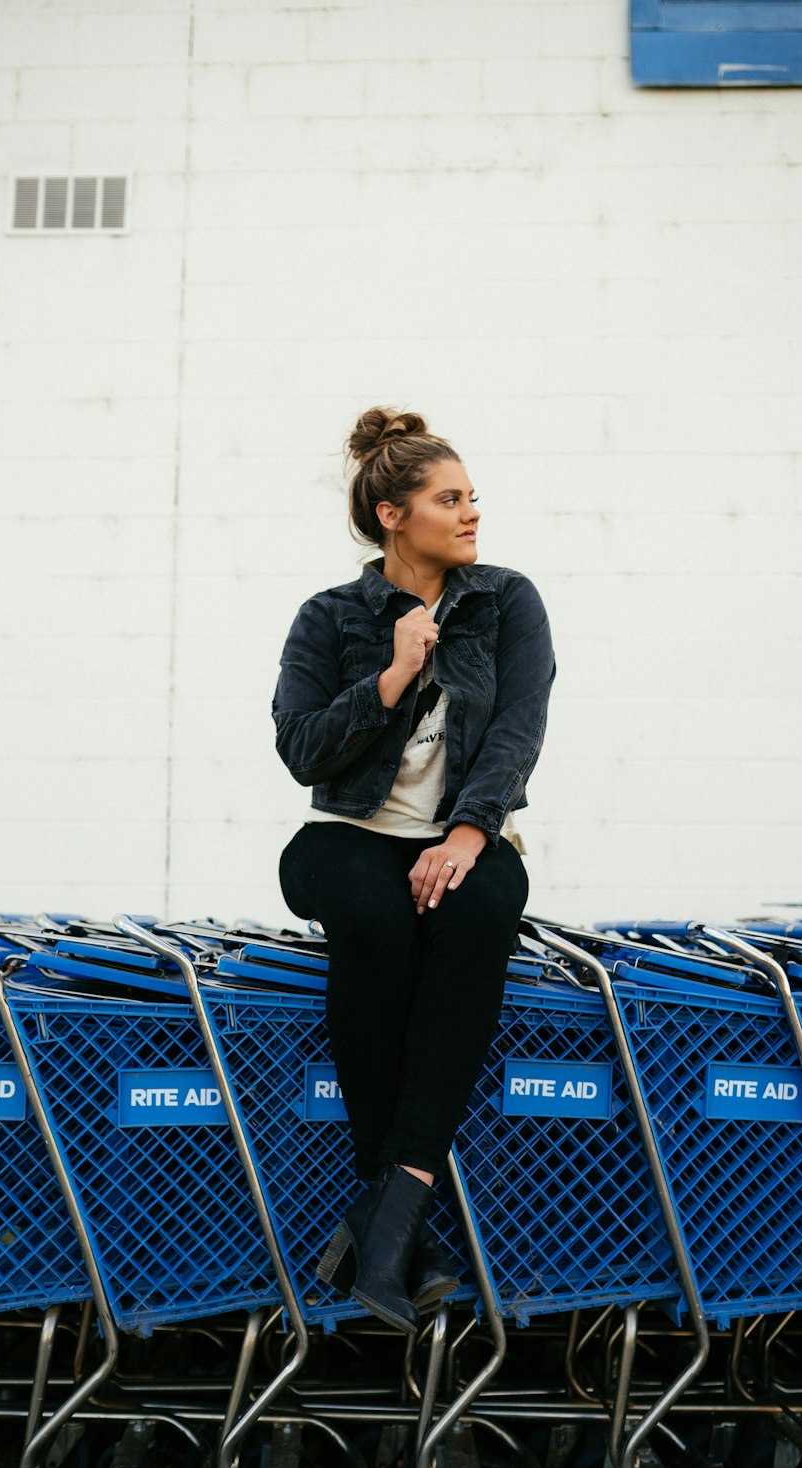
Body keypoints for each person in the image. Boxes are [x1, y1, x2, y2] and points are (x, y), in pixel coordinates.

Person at [272, 407, 555, 1333]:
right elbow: (302, 749)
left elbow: (517, 729)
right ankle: (392, 1219)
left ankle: (388, 1215)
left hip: (464, 839)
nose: (471, 512)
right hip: (348, 841)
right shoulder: (331, 616)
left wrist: (471, 833)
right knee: (378, 916)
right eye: (448, 498)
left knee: (477, 916)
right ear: (394, 514)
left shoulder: (507, 601)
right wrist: (389, 678)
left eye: (472, 496)